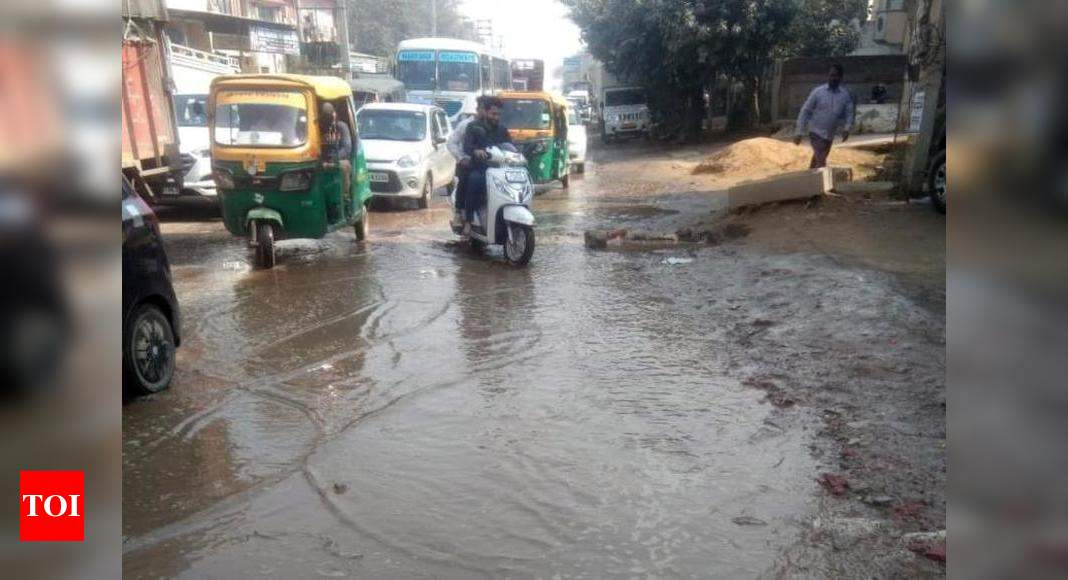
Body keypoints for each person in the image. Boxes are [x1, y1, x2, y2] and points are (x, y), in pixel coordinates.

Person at [460, 96, 512, 235]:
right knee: (475, 180)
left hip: (500, 169)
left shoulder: (502, 129)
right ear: (486, 112)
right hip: (480, 167)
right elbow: (467, 147)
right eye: (493, 114)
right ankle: (468, 221)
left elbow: (510, 147)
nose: (496, 117)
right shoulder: (473, 127)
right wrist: (476, 151)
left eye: (499, 114)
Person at [794, 63, 854, 169]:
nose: (833, 78)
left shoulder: (845, 95)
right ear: (828, 76)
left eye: (836, 75)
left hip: (830, 135)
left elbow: (850, 113)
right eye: (831, 75)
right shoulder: (818, 92)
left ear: (841, 77)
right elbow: (805, 111)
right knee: (821, 162)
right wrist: (799, 132)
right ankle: (824, 184)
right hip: (815, 133)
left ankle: (809, 180)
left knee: (817, 162)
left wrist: (847, 129)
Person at [447, 97, 488, 227]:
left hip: (485, 164)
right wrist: (461, 158)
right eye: (484, 109)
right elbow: (451, 143)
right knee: (466, 181)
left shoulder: (491, 126)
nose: (486, 112)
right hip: (466, 163)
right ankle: (459, 213)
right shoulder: (465, 125)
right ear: (478, 109)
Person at [320, 102, 353, 196]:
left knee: (344, 166)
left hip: (338, 160)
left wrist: (333, 159)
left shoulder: (341, 127)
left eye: (329, 116)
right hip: (321, 160)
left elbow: (347, 148)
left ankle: (344, 196)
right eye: (325, 116)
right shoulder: (318, 128)